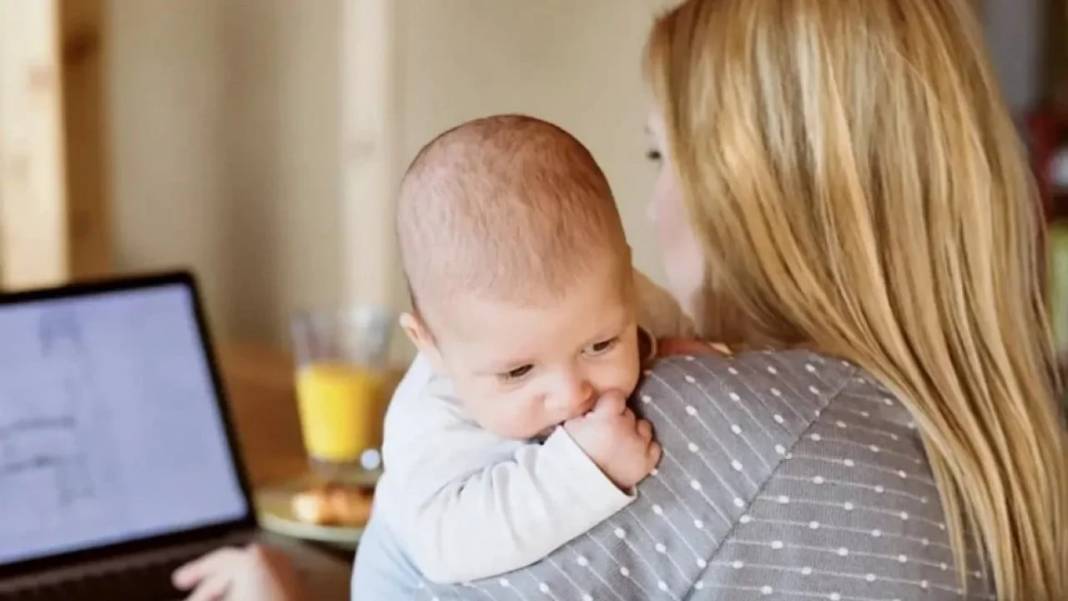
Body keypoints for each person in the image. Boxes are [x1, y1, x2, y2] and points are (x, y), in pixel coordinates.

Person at [177, 0, 1068, 599]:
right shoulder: (1012, 426)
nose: (652, 206)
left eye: (659, 157)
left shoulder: (686, 429)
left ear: (754, 192)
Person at [373, 114, 698, 584]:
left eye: (601, 344)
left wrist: (677, 347)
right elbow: (449, 547)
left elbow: (672, 330)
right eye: (518, 372)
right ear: (431, 346)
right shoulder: (428, 420)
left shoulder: (622, 296)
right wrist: (585, 469)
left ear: (626, 279)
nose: (571, 394)